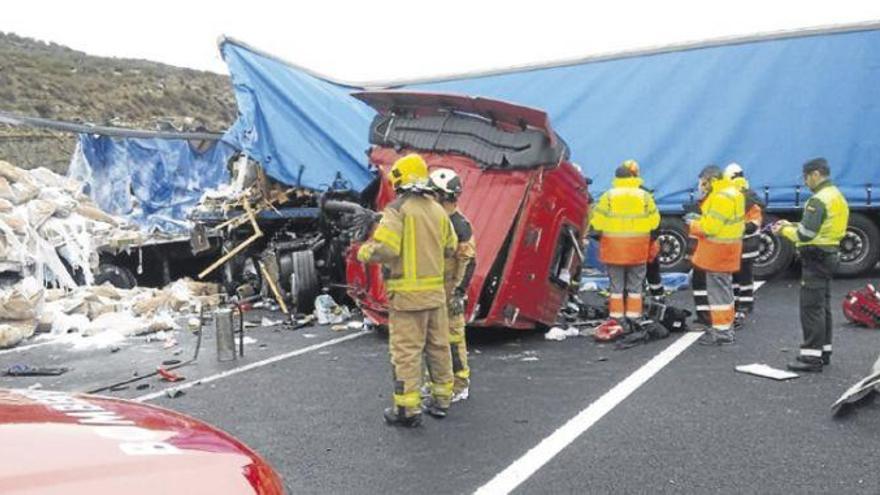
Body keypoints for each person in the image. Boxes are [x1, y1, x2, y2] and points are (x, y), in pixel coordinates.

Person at [357, 153, 458, 427]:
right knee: (438, 347)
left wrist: (364, 252)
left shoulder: (397, 210)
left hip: (406, 298)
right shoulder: (437, 210)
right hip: (435, 296)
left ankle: (407, 410)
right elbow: (451, 247)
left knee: (406, 352)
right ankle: (441, 400)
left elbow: (387, 248)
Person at [772, 158, 849, 372]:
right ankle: (824, 351)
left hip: (815, 258)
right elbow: (820, 227)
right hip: (829, 254)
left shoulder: (817, 200)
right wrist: (791, 224)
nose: (805, 182)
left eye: (806, 177)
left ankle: (810, 357)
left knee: (810, 307)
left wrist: (783, 231)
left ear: (815, 174)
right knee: (822, 306)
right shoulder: (835, 195)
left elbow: (805, 235)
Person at [590, 160, 660, 326]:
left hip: (614, 250)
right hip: (637, 249)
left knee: (616, 287)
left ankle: (616, 318)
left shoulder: (608, 196)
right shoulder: (644, 196)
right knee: (635, 287)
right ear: (633, 177)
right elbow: (654, 222)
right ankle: (634, 317)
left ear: (616, 178)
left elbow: (597, 223)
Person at [429, 168, 476, 402]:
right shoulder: (434, 220)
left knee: (453, 339)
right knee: (433, 339)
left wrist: (458, 292)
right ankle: (440, 382)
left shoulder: (459, 224)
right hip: (431, 288)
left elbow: (468, 261)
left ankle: (459, 384)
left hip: (449, 290)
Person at [687, 165, 745, 345]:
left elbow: (710, 227)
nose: (702, 187)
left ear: (712, 180)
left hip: (717, 253)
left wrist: (693, 224)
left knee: (718, 295)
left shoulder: (720, 198)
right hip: (729, 250)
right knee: (725, 293)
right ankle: (725, 329)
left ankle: (721, 334)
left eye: (704, 183)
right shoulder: (733, 193)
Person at [724, 163, 764, 325]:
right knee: (745, 276)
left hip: (740, 243)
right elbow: (756, 219)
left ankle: (741, 303)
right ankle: (745, 303)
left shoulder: (730, 195)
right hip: (749, 243)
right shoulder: (751, 196)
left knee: (738, 275)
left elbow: (751, 221)